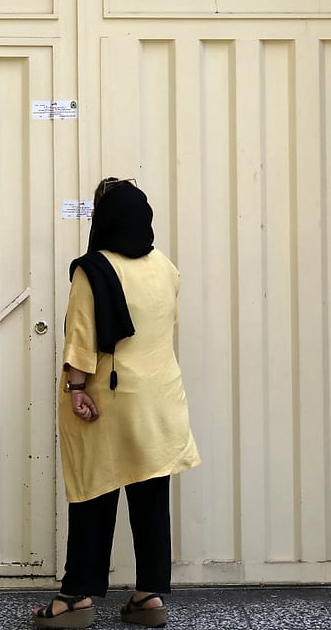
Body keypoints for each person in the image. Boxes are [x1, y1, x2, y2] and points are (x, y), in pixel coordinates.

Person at [32, 177, 201, 629]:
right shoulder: (165, 267)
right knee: (150, 494)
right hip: (161, 397)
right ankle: (148, 596)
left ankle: (75, 599)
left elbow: (81, 339)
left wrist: (75, 389)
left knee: (93, 491)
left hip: (108, 397)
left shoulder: (93, 269)